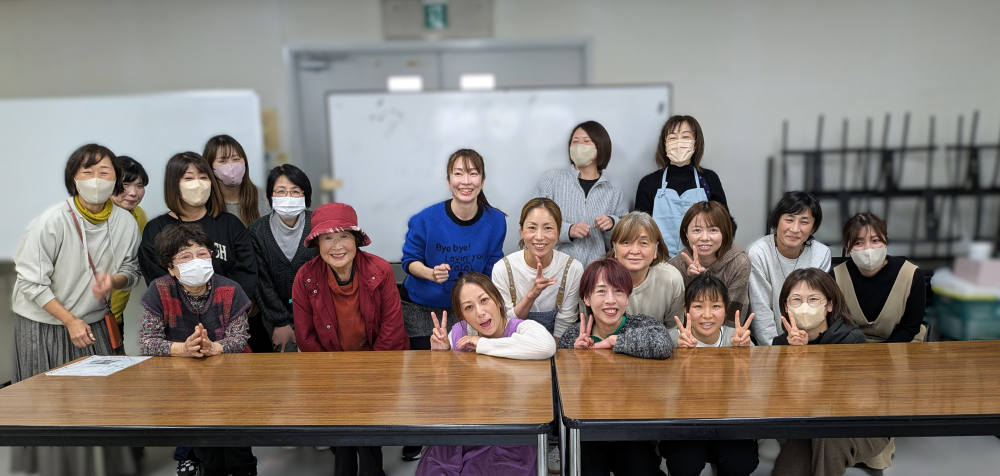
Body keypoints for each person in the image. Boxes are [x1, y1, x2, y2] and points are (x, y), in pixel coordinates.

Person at [11, 144, 141, 476]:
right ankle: (54, 469)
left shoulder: (125, 222)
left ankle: (102, 468)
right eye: (88, 172)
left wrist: (114, 281)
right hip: (46, 324)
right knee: (52, 406)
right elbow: (31, 282)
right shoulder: (50, 222)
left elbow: (132, 270)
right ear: (73, 179)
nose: (97, 179)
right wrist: (69, 320)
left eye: (105, 172)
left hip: (95, 322)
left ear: (116, 180)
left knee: (101, 403)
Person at [138, 151, 264, 475]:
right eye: (185, 257)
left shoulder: (228, 288)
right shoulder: (161, 290)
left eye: (201, 254)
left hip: (231, 378)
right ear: (169, 266)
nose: (196, 261)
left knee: (238, 448)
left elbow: (239, 335)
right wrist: (184, 349)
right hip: (184, 381)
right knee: (205, 447)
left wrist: (215, 347)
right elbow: (147, 341)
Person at [292, 202, 409, 476]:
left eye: (344, 236)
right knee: (344, 417)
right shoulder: (305, 278)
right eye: (327, 238)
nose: (337, 246)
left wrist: (367, 377)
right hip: (330, 368)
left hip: (379, 362)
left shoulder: (381, 270)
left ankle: (358, 468)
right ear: (317, 243)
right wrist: (337, 376)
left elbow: (391, 330)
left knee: (365, 417)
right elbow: (305, 337)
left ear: (356, 239)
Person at [416, 273, 556, 476]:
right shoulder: (458, 332)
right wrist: (441, 356)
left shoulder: (522, 328)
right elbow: (441, 396)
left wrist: (483, 344)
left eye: (484, 300)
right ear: (462, 315)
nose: (480, 312)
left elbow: (546, 345)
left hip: (508, 437)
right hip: (462, 433)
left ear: (498, 301)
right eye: (469, 307)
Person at [557, 258, 672, 476]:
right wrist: (574, 359)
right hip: (587, 433)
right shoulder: (574, 335)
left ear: (627, 297)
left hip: (632, 431)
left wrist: (615, 342)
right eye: (601, 291)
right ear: (586, 298)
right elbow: (563, 396)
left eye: (618, 291)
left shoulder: (642, 324)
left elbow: (663, 344)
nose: (611, 300)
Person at [770, 268, 888, 476]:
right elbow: (784, 400)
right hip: (807, 426)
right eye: (796, 300)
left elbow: (846, 398)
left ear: (830, 305)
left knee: (829, 436)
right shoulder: (781, 343)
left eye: (814, 299)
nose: (804, 306)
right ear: (786, 307)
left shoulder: (851, 339)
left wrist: (807, 357)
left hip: (858, 424)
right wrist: (795, 357)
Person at [401, 149, 507, 351]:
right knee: (429, 368)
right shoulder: (426, 219)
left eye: (473, 173)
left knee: (468, 371)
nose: (465, 181)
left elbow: (489, 271)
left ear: (482, 182)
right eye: (458, 174)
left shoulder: (496, 221)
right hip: (421, 308)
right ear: (448, 182)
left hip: (468, 309)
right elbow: (409, 261)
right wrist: (430, 273)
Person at [662, 275, 758, 476]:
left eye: (716, 306)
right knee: (685, 462)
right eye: (698, 306)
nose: (707, 315)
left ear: (726, 308)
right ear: (686, 308)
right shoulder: (670, 340)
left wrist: (743, 354)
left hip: (728, 424)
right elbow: (663, 394)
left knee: (742, 460)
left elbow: (752, 392)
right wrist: (678, 355)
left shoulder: (739, 338)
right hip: (684, 425)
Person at [635, 115, 734, 258]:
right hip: (659, 261)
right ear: (664, 144)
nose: (679, 142)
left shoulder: (708, 179)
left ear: (695, 143)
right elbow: (638, 229)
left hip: (703, 261)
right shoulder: (649, 183)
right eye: (672, 138)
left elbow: (725, 224)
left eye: (685, 137)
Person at [533, 120, 628, 265]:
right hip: (556, 270)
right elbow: (533, 225)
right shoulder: (551, 180)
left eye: (586, 141)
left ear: (600, 147)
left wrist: (612, 224)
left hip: (597, 275)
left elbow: (622, 243)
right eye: (575, 142)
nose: (579, 146)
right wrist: (568, 230)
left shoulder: (614, 192)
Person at [248, 164, 318, 353]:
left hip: (317, 315)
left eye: (295, 191)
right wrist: (281, 322)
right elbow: (261, 282)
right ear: (271, 196)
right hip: (275, 317)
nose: (288, 197)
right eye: (280, 191)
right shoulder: (257, 231)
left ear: (305, 195)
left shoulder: (318, 225)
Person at [491, 198, 584, 340]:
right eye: (532, 228)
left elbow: (565, 324)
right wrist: (532, 295)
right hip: (513, 345)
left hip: (555, 347)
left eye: (548, 228)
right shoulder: (503, 269)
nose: (539, 237)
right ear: (521, 231)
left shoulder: (572, 268)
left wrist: (548, 355)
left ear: (559, 231)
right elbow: (504, 324)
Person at [747, 191, 831, 345]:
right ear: (776, 221)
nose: (795, 229)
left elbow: (818, 308)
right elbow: (761, 312)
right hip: (773, 345)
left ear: (813, 228)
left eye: (804, 222)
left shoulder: (821, 253)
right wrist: (776, 349)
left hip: (811, 341)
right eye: (789, 220)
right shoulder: (759, 253)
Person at [832, 212, 927, 343]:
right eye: (859, 243)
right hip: (855, 346)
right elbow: (834, 324)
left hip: (904, 344)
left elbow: (910, 327)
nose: (868, 249)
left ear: (886, 241)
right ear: (848, 247)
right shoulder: (836, 277)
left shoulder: (912, 275)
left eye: (875, 240)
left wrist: (883, 356)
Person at [668, 201, 750, 327]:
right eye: (697, 230)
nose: (705, 237)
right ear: (686, 233)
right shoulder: (675, 266)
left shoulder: (739, 262)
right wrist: (694, 278)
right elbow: (676, 318)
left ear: (724, 232)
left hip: (727, 339)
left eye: (713, 230)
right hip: (686, 338)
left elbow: (734, 315)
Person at [607, 211, 685, 329]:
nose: (634, 251)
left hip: (659, 346)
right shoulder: (597, 278)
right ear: (614, 247)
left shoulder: (671, 279)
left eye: (643, 243)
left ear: (656, 249)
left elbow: (674, 330)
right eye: (626, 242)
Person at [109, 155, 150, 341]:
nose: (133, 193)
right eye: (125, 184)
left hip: (115, 315)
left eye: (140, 186)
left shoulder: (138, 215)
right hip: (83, 317)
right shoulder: (94, 215)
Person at [203, 134, 270, 226]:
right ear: (210, 167)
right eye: (223, 161)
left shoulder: (261, 197)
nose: (231, 166)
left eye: (236, 159)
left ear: (245, 162)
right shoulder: (204, 201)